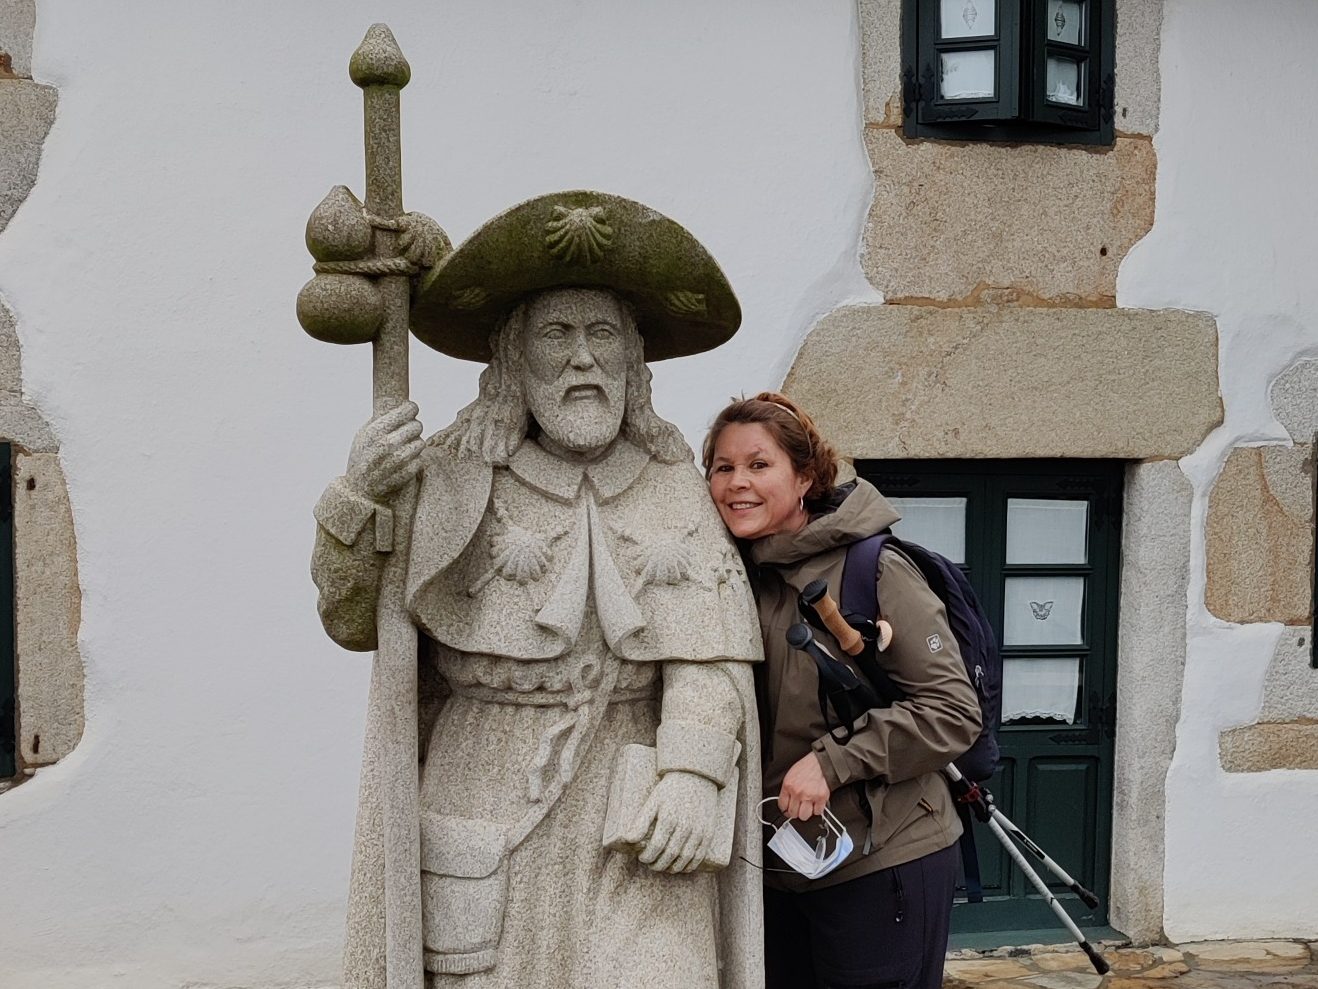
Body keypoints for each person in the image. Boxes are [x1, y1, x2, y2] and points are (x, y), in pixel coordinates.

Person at [311, 191, 764, 989]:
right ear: (513, 361)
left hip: (636, 802)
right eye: (557, 333)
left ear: (633, 362)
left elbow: (711, 652)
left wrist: (694, 770)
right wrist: (358, 498)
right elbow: (353, 620)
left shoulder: (671, 483)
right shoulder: (448, 474)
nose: (583, 358)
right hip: (485, 793)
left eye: (603, 334)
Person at [702, 391, 982, 989]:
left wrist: (832, 763)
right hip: (781, 866)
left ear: (805, 477)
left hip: (883, 859)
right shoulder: (733, 575)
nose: (736, 483)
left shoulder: (871, 569)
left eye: (758, 464)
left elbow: (952, 712)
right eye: (723, 467)